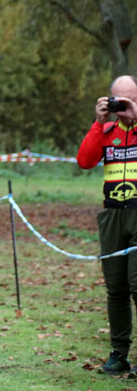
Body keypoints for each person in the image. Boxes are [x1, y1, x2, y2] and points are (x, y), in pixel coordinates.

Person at [77, 75, 137, 375]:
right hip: (112, 215)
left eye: (129, 99)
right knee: (116, 289)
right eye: (118, 99)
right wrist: (98, 123)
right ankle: (119, 354)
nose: (122, 105)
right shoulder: (108, 130)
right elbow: (85, 161)